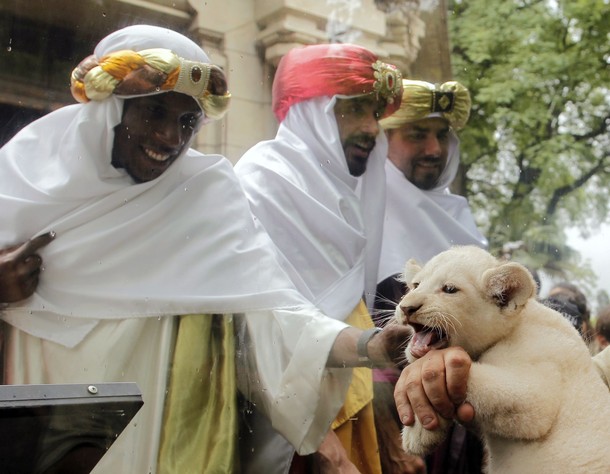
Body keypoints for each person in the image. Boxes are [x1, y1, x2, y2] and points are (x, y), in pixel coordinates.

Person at [0, 25, 407, 474]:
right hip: (41, 438)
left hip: (166, 441)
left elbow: (272, 322)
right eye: (154, 112)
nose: (170, 138)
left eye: (186, 121)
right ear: (111, 109)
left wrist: (372, 346)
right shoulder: (21, 184)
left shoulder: (207, 197)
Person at [235, 43, 405, 473]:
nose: (371, 128)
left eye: (376, 114)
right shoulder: (263, 182)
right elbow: (253, 331)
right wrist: (321, 444)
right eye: (355, 110)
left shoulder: (346, 197)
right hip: (287, 432)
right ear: (314, 111)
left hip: (348, 406)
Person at [373, 79, 487, 474]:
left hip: (463, 415)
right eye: (417, 135)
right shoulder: (359, 212)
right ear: (382, 141)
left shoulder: (459, 214)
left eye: (441, 136)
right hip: (385, 418)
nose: (434, 150)